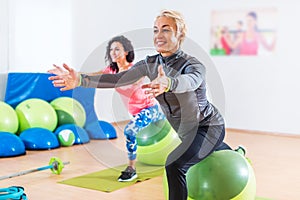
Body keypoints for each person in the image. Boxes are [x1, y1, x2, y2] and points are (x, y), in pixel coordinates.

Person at [48, 9, 245, 200]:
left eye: (166, 29)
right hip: (185, 132)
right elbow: (119, 78)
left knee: (174, 164)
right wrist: (81, 80)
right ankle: (236, 153)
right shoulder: (150, 64)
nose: (159, 35)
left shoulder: (193, 65)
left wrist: (169, 83)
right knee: (206, 148)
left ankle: (231, 152)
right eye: (156, 29)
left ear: (180, 33)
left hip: (208, 127)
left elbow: (190, 81)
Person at [85, 35, 165, 182]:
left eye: (117, 49)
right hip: (135, 113)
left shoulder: (135, 69)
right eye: (111, 50)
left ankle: (131, 169)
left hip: (151, 109)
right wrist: (75, 76)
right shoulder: (111, 70)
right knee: (131, 130)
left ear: (126, 51)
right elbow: (93, 75)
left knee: (129, 130)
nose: (113, 53)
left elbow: (138, 78)